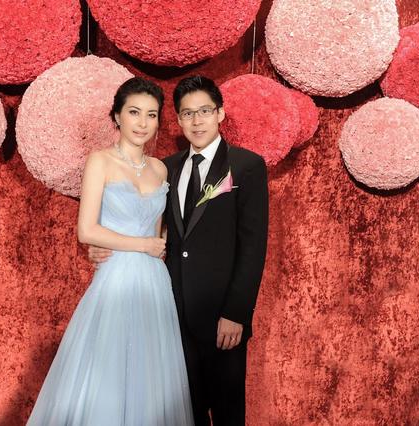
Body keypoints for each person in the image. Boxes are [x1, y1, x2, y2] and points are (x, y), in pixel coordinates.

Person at [90, 75, 269, 426]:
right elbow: (154, 228)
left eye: (205, 111)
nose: (196, 121)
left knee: (228, 412)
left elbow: (253, 246)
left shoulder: (246, 166)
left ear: (220, 113)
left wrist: (236, 312)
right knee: (185, 413)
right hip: (170, 313)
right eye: (187, 113)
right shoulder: (166, 168)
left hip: (221, 316)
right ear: (178, 119)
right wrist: (103, 245)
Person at [27, 77, 194, 426]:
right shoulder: (99, 162)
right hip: (116, 278)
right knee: (108, 370)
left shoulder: (160, 168)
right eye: (134, 112)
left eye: (151, 115)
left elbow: (157, 230)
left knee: (150, 374)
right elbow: (87, 230)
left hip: (154, 282)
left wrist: (155, 242)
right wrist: (141, 245)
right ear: (117, 116)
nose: (142, 123)